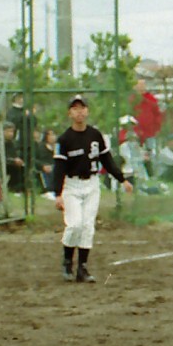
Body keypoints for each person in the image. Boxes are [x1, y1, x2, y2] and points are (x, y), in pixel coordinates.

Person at [52, 95, 132, 283]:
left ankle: (82, 268)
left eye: (82, 107)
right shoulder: (64, 139)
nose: (79, 111)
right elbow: (59, 168)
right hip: (72, 185)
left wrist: (122, 179)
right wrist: (58, 194)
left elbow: (107, 160)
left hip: (92, 184)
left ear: (87, 111)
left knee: (88, 226)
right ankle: (67, 262)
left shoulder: (95, 135)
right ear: (69, 113)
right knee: (74, 224)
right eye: (75, 108)